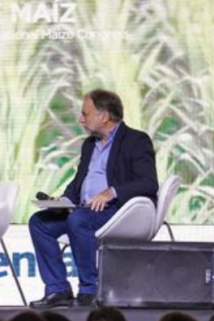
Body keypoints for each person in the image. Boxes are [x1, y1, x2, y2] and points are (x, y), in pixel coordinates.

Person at [29, 89, 157, 308]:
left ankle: (90, 288)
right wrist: (64, 201)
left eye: (85, 114)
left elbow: (148, 183)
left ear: (104, 116)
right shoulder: (89, 144)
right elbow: (80, 180)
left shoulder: (136, 140)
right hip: (84, 210)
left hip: (119, 211)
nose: (81, 119)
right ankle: (58, 288)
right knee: (39, 223)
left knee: (78, 220)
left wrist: (112, 192)